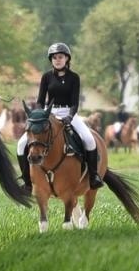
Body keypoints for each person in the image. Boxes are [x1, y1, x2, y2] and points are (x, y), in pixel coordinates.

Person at [18, 43, 102, 191]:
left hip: (69, 113)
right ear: (51, 60)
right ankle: (27, 180)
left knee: (89, 140)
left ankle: (93, 176)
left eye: (60, 57)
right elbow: (40, 101)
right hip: (48, 114)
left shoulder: (74, 77)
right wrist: (40, 114)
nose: (57, 60)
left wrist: (70, 116)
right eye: (55, 57)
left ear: (67, 59)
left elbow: (75, 103)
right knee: (21, 144)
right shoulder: (46, 77)